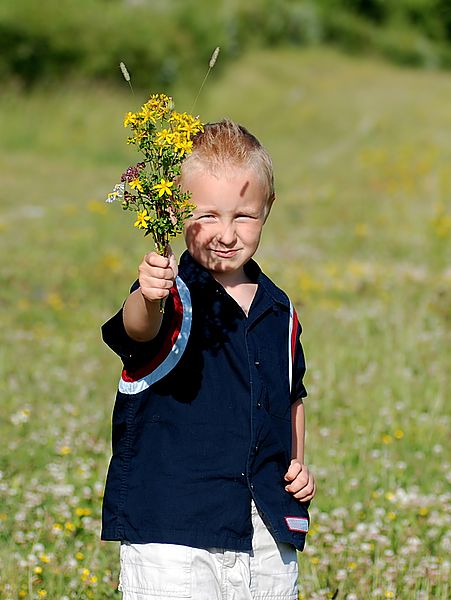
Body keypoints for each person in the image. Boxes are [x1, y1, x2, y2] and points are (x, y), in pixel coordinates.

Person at [101, 119, 316, 599]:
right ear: (176, 212)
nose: (226, 233)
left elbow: (291, 395)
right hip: (173, 532)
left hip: (264, 529)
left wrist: (298, 462)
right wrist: (148, 294)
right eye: (207, 215)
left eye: (244, 216)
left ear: (268, 210)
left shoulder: (279, 309)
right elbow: (137, 330)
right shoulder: (169, 296)